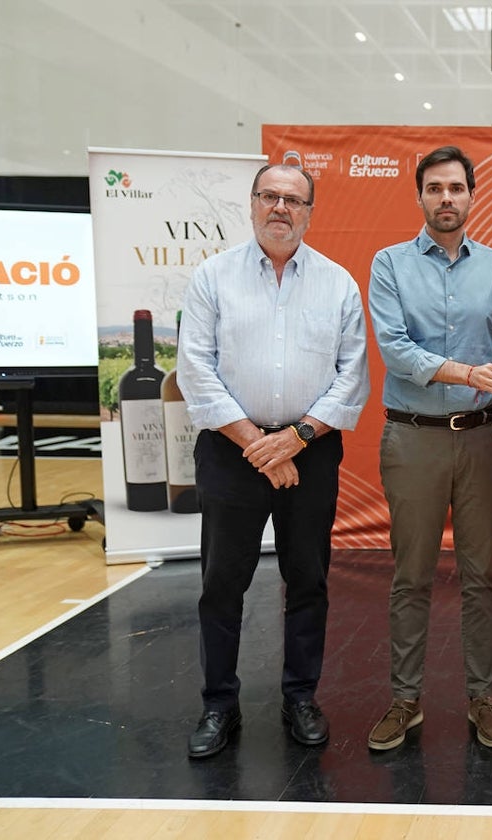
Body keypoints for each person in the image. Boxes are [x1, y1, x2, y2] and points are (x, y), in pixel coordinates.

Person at [177, 163, 369, 759]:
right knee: (221, 582)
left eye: (294, 199)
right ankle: (218, 705)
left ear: (311, 211)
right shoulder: (213, 277)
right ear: (252, 203)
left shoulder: (338, 283)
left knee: (307, 580)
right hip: (231, 453)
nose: (281, 208)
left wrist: (295, 439)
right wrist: (258, 445)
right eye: (270, 196)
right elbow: (195, 370)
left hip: (308, 453)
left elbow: (351, 376)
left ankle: (300, 697)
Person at [365, 146, 492, 752]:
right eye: (435, 188)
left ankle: (481, 696)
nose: (446, 198)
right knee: (411, 576)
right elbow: (396, 351)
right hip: (412, 439)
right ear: (421, 196)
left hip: (484, 441)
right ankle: (406, 701)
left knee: (483, 575)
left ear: (472, 195)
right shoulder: (389, 264)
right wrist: (466, 373)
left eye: (457, 187)